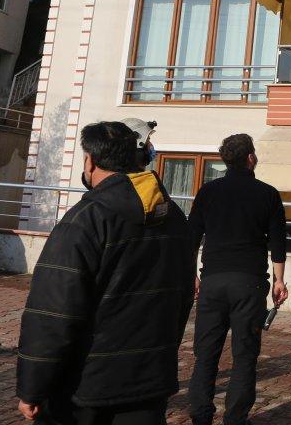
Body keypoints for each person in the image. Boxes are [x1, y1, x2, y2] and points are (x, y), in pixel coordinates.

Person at [16, 121, 195, 425]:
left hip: (85, 391)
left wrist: (32, 386)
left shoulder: (85, 220)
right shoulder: (174, 217)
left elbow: (52, 313)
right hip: (150, 381)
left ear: (90, 161)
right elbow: (182, 297)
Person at [187, 133, 288, 425]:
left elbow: (191, 238)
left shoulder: (208, 191)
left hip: (212, 281)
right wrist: (279, 281)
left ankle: (200, 416)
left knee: (205, 354)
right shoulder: (268, 194)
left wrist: (191, 275)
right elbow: (278, 243)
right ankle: (235, 419)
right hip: (249, 284)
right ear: (250, 158)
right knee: (244, 356)